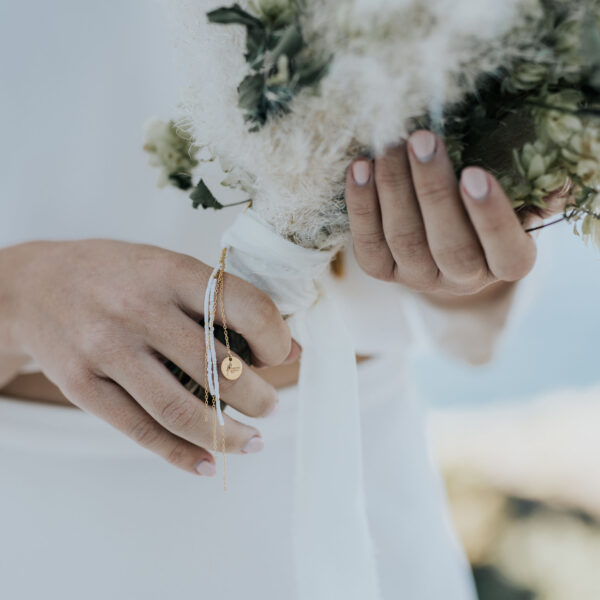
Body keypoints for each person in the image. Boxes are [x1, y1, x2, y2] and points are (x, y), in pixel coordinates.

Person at [0, 2, 556, 599]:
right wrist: (17, 297)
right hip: (49, 514)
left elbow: (467, 322)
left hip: (356, 470)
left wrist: (463, 250)